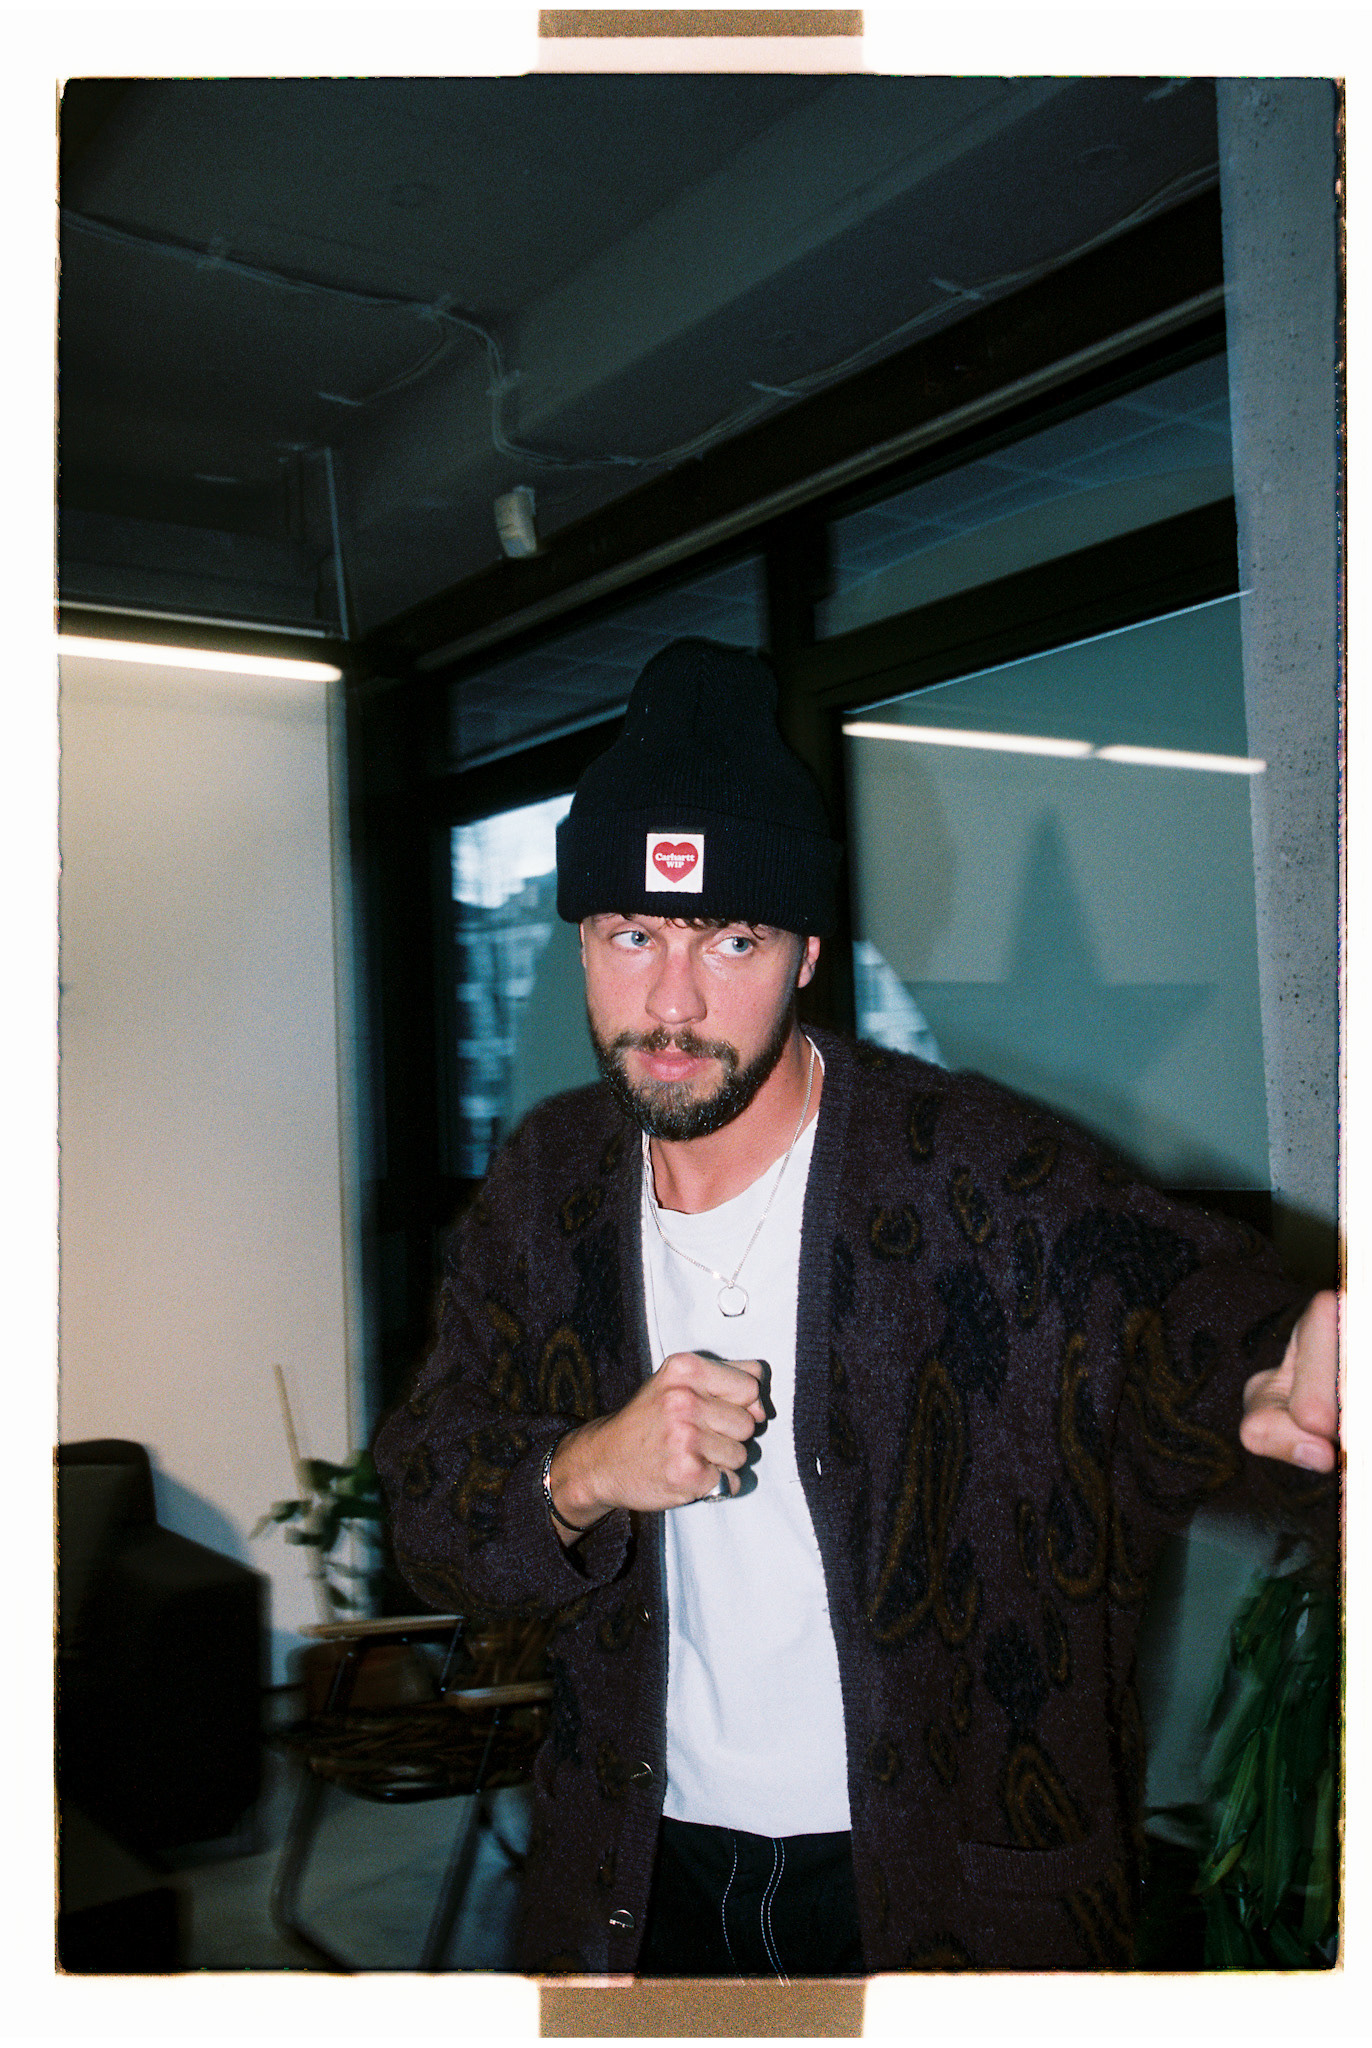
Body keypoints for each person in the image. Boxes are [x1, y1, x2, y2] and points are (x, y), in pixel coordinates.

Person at [374, 637, 1338, 1977]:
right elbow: (429, 1510)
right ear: (583, 942)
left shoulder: (984, 1178)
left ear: (806, 952)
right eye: (634, 934)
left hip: (945, 1897)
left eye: (733, 939)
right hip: (635, 1874)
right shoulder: (549, 1189)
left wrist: (1271, 1379)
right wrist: (586, 1469)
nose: (672, 1000)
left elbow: (1179, 1323)